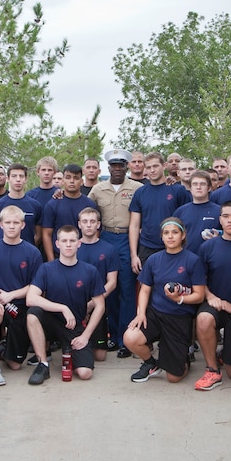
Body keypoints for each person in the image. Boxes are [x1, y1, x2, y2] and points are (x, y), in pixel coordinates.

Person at [124, 218, 206, 384]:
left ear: (182, 235)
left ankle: (183, 357)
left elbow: (200, 295)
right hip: (156, 314)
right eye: (166, 233)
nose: (170, 236)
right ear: (161, 237)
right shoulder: (154, 260)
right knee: (130, 337)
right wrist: (141, 314)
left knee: (174, 378)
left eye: (175, 232)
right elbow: (145, 289)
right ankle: (151, 364)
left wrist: (180, 298)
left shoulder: (192, 260)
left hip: (179, 317)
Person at [25, 225, 107, 383]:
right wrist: (62, 308)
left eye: (72, 240)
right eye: (64, 241)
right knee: (32, 315)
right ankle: (43, 364)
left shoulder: (89, 271)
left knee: (85, 373)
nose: (68, 244)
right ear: (57, 244)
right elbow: (31, 298)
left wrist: (85, 336)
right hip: (50, 321)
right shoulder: (46, 268)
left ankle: (68, 351)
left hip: (73, 325)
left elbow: (100, 305)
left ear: (79, 243)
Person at [194, 201, 231, 390]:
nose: (230, 220)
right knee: (203, 319)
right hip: (216, 304)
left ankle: (225, 354)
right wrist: (210, 296)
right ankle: (212, 369)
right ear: (220, 219)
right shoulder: (207, 247)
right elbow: (199, 280)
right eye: (226, 216)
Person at [0, 205, 43, 385]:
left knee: (15, 364)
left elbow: (35, 285)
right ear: (1, 225)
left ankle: (2, 350)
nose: (12, 226)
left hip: (20, 305)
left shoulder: (32, 252)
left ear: (23, 225)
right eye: (8, 222)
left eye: (16, 222)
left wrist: (11, 295)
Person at [89, 149, 142, 356]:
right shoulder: (97, 189)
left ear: (126, 167)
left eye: (121, 166)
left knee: (127, 290)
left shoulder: (137, 188)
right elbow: (88, 210)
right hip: (105, 238)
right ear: (109, 168)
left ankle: (125, 340)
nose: (117, 169)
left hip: (127, 238)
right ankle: (112, 335)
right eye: (114, 166)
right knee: (108, 290)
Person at [130, 153, 190, 273]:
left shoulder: (178, 190)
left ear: (164, 166)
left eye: (156, 166)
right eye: (149, 167)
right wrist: (134, 255)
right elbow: (134, 225)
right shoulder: (140, 193)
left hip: (174, 246)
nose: (152, 170)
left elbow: (187, 221)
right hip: (147, 248)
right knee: (146, 288)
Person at [75, 207, 119, 361]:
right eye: (85, 222)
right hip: (74, 305)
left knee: (100, 356)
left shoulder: (109, 249)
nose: (88, 225)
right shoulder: (72, 247)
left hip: (97, 306)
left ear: (98, 224)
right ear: (79, 224)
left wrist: (92, 304)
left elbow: (112, 283)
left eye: (92, 222)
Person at [39, 164, 98, 260]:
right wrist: (51, 260)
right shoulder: (52, 204)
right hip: (58, 255)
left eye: (76, 178)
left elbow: (95, 233)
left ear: (81, 181)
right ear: (63, 181)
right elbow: (46, 234)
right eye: (68, 177)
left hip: (83, 257)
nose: (72, 181)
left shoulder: (90, 205)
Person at [174, 170, 221, 255]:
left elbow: (228, 236)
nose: (198, 187)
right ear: (190, 188)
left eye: (202, 184)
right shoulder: (180, 212)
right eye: (195, 184)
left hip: (212, 258)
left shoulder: (219, 211)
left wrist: (219, 238)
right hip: (186, 260)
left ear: (209, 188)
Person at [0, 164, 42, 247]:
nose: (18, 180)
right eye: (14, 176)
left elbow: (38, 234)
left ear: (26, 179)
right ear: (8, 179)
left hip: (28, 253)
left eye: (21, 176)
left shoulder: (35, 205)